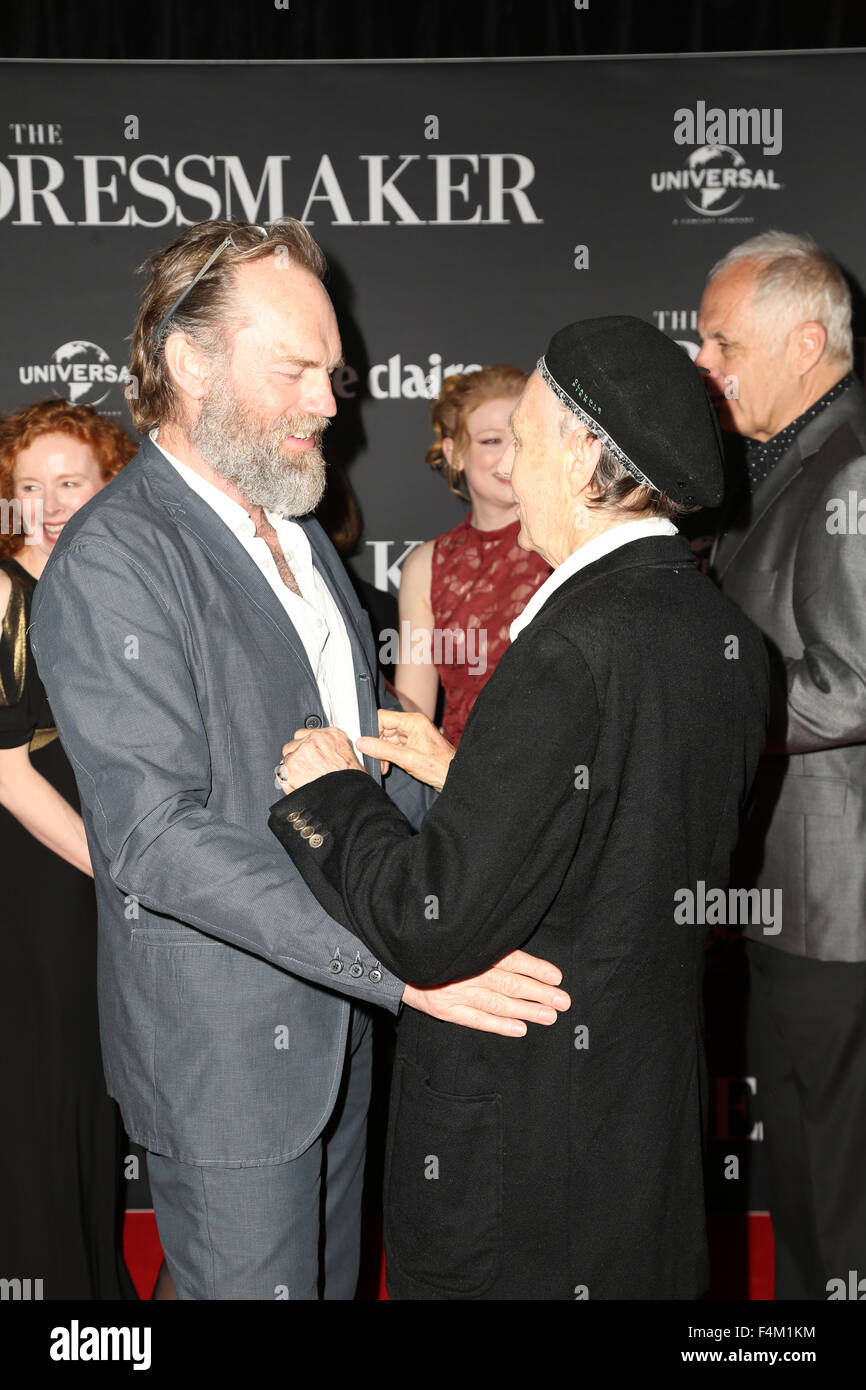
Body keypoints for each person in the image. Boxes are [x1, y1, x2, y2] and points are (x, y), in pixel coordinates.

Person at [28, 218, 569, 1302]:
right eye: (298, 370)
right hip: (227, 1054)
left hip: (337, 1031)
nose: (332, 402)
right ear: (190, 363)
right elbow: (151, 838)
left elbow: (355, 754)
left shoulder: (293, 521)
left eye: (334, 371)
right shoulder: (118, 557)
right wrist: (405, 959)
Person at [271, 316, 772, 1300]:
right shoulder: (720, 630)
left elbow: (430, 921)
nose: (509, 462)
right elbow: (626, 837)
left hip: (523, 1151)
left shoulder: (567, 646)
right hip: (638, 1118)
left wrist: (325, 792)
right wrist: (475, 779)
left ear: (583, 453)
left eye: (528, 430)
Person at [696, 230, 866, 1300]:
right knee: (802, 1185)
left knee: (838, 1198)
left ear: (802, 342)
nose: (703, 361)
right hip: (779, 899)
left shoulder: (849, 470)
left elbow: (851, 681)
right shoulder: (779, 465)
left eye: (720, 341)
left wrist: (703, 718)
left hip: (834, 906)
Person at [0, 400, 137, 1299]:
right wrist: (128, 871)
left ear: (109, 486)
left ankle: (89, 1289)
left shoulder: (114, 587)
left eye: (69, 483)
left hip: (102, 871)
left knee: (92, 1085)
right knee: (40, 1086)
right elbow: (6, 774)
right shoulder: (6, 592)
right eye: (26, 487)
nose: (46, 504)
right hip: (35, 874)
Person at [395, 366, 549, 743]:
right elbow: (412, 709)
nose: (510, 456)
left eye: (521, 438)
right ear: (455, 453)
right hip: (462, 781)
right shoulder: (427, 566)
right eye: (492, 441)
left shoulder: (572, 543)